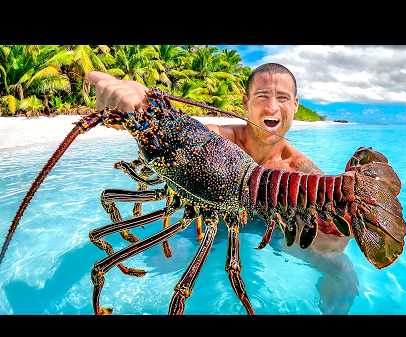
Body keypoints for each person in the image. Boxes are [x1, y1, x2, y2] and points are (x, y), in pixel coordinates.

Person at [85, 63, 352, 254]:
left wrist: (335, 236)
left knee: (341, 277)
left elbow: (334, 245)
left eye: (282, 98)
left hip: (267, 238)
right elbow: (170, 145)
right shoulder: (215, 137)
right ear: (245, 101)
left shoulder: (303, 171)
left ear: (294, 105)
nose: (272, 107)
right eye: (262, 97)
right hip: (210, 233)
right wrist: (135, 103)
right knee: (164, 260)